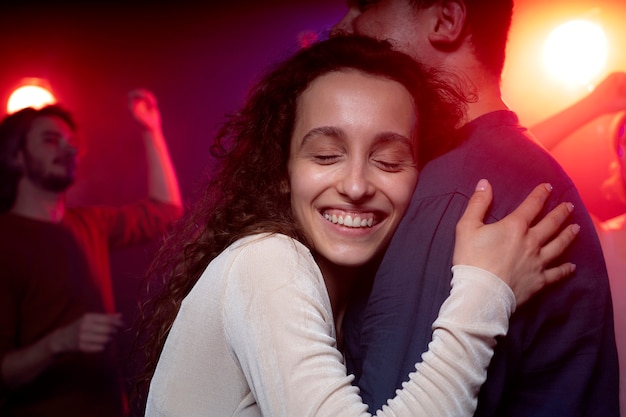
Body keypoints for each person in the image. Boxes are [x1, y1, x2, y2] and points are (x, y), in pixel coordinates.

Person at [135, 35, 578, 417]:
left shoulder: (347, 298)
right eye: (326, 155)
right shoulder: (267, 260)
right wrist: (485, 293)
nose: (355, 184)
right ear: (283, 170)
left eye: (388, 161)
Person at [333, 1, 619, 416]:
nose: (345, 25)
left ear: (445, 20)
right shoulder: (504, 162)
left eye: (365, 4)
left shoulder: (459, 193)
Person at [0, 89, 183, 416]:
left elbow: (166, 211)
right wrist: (60, 342)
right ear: (16, 155)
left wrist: (150, 129)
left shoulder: (89, 223)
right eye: (51, 139)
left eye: (70, 142)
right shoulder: (7, 239)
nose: (68, 148)